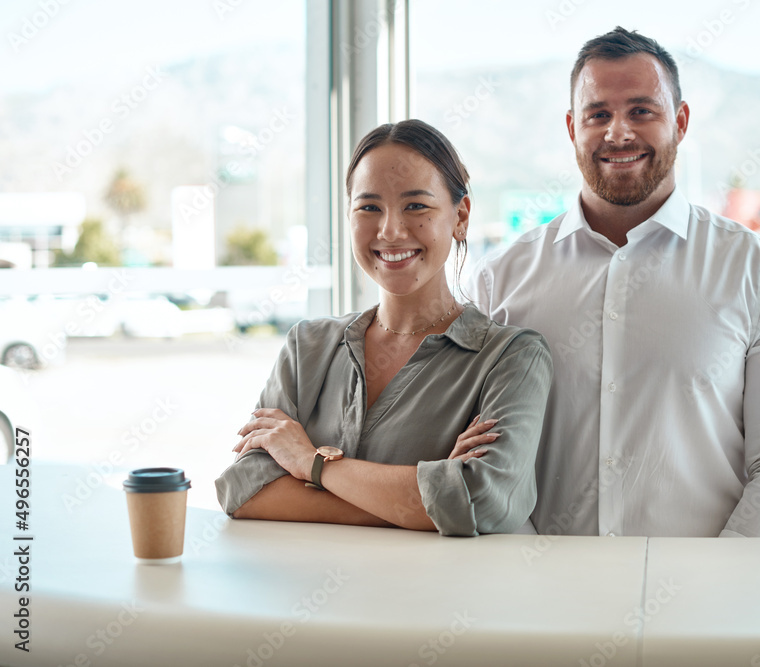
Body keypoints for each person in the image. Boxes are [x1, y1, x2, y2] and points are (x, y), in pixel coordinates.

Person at [470, 27, 760, 538]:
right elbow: (480, 462)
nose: (619, 133)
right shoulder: (498, 281)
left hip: (705, 604)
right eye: (598, 114)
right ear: (572, 127)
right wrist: (534, 575)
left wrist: (718, 588)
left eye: (642, 110)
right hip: (545, 603)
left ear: (680, 122)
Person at [216, 119, 553, 537]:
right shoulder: (307, 347)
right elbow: (243, 490)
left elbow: (483, 501)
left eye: (416, 206)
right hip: (309, 599)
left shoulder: (512, 357)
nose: (390, 230)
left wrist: (310, 463)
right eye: (369, 207)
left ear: (460, 217)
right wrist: (427, 498)